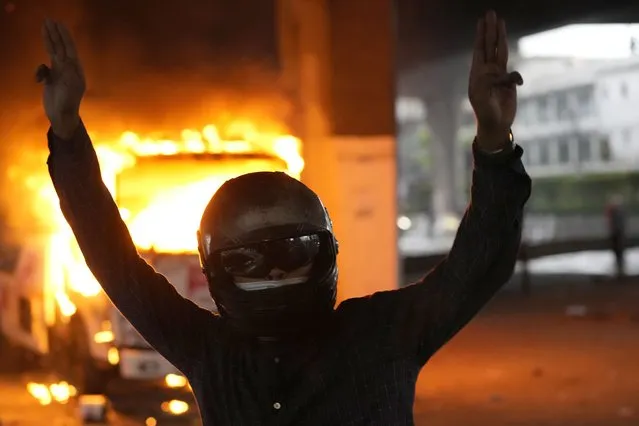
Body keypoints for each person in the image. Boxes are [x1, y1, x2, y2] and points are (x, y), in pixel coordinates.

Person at [38, 10, 530, 426]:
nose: (274, 270)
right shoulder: (376, 335)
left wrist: (494, 140)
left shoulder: (378, 334)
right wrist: (66, 133)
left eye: (292, 250)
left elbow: (480, 261)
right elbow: (113, 260)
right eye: (250, 258)